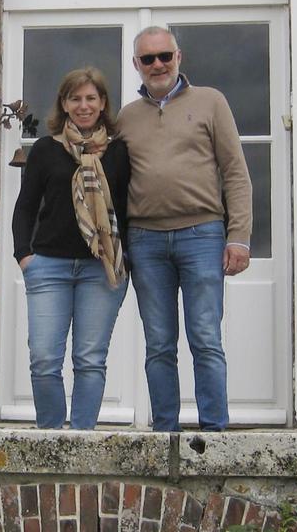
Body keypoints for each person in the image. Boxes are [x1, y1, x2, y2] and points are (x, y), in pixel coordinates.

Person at [117, 26, 252, 432]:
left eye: (164, 56)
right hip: (145, 242)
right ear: (136, 65)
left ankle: (215, 433)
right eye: (148, 59)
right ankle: (165, 434)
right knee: (158, 345)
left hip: (203, 235)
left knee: (205, 338)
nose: (157, 64)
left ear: (179, 57)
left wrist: (239, 236)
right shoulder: (126, 117)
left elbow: (236, 172)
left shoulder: (211, 102)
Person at [12, 67, 130, 429]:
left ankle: (81, 438)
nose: (83, 105)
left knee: (90, 359)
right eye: (75, 98)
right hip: (49, 267)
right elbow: (26, 207)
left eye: (90, 98)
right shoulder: (47, 149)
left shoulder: (119, 152)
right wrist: (24, 256)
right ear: (64, 103)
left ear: (103, 103)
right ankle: (51, 437)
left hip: (101, 269)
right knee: (44, 358)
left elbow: (127, 207)